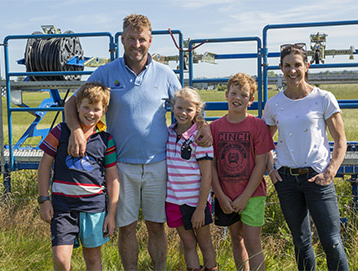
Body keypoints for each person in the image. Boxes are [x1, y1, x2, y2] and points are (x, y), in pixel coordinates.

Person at [63, 14, 211, 270]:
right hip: (120, 166)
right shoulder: (106, 72)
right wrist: (75, 129)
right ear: (122, 39)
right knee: (126, 227)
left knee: (156, 225)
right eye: (130, 38)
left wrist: (204, 125)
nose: (136, 44)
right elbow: (71, 102)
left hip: (159, 163)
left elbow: (190, 106)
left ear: (150, 41)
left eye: (141, 39)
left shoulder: (165, 74)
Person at [262, 43, 349, 270]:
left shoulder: (323, 98)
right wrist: (272, 170)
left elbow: (341, 141)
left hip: (317, 177)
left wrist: (330, 172)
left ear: (306, 66)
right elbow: (263, 143)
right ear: (281, 68)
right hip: (287, 180)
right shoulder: (274, 104)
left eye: (297, 65)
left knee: (332, 240)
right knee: (301, 242)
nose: (292, 71)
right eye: (287, 65)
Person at [37, 82, 120, 271]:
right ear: (77, 107)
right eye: (86, 107)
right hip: (63, 207)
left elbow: (112, 178)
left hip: (94, 207)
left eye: (96, 109)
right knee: (60, 259)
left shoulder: (106, 140)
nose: (91, 113)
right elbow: (44, 166)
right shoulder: (60, 131)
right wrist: (44, 200)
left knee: (93, 261)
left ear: (104, 110)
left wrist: (111, 213)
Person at [210, 73, 275, 271]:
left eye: (244, 95)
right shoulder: (215, 127)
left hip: (252, 195)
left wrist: (245, 196)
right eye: (234, 93)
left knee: (252, 242)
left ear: (251, 100)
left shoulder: (258, 126)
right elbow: (211, 165)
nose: (238, 98)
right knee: (236, 240)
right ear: (226, 95)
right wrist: (220, 196)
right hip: (226, 195)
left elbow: (261, 163)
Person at [166, 88, 217, 271]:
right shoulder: (169, 133)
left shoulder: (201, 138)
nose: (183, 113)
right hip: (173, 200)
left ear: (197, 111)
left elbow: (207, 176)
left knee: (205, 243)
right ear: (173, 108)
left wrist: (200, 208)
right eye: (179, 108)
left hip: (196, 201)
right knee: (188, 244)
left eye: (189, 110)